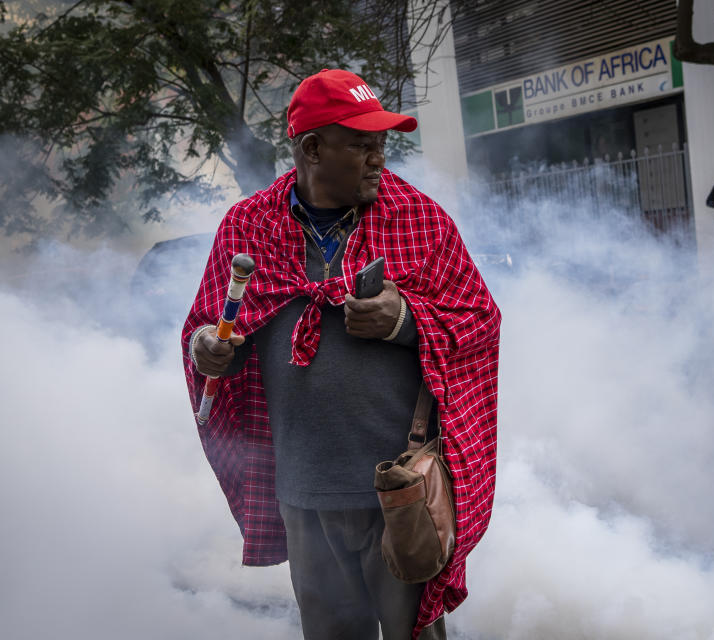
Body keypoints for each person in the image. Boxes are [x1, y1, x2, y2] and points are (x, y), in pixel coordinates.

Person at [182, 69, 501, 640]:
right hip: (303, 493)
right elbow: (211, 329)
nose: (379, 157)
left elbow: (479, 323)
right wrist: (208, 350)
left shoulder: (419, 219)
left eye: (382, 144)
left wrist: (405, 321)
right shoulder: (248, 226)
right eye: (362, 145)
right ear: (311, 148)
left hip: (403, 488)